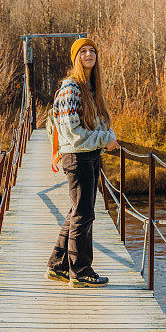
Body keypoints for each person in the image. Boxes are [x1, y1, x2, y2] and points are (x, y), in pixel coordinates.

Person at [46, 37, 120, 288]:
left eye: (93, 51)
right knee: (84, 213)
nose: (89, 55)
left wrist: (108, 135)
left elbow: (93, 123)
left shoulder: (88, 87)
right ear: (75, 58)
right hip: (78, 157)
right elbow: (72, 134)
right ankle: (80, 271)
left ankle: (58, 266)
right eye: (83, 51)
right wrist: (104, 138)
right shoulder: (70, 88)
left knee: (77, 211)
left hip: (89, 156)